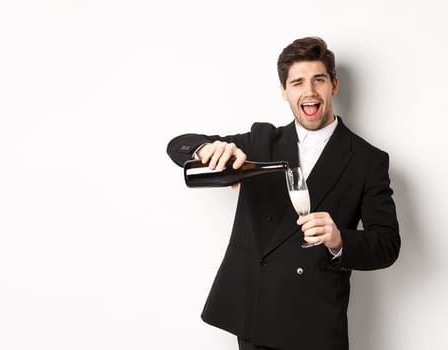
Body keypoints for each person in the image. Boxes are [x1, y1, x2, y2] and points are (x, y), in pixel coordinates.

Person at [165, 37, 400, 350]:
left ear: (334, 84)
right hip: (257, 314)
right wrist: (207, 148)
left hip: (317, 320)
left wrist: (339, 239)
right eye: (297, 82)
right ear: (284, 91)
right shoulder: (261, 143)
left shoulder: (368, 160)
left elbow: (387, 244)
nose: (309, 91)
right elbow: (178, 145)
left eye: (318, 80)